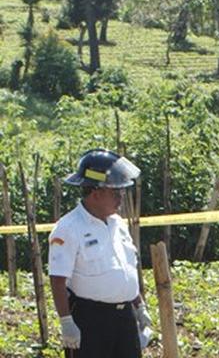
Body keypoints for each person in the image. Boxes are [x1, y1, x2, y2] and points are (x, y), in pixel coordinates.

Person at [48, 149, 152, 357]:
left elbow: (125, 268)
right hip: (91, 321)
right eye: (115, 193)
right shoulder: (68, 228)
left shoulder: (118, 224)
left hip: (125, 320)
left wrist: (139, 307)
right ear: (95, 193)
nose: (121, 198)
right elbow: (58, 281)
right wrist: (67, 322)